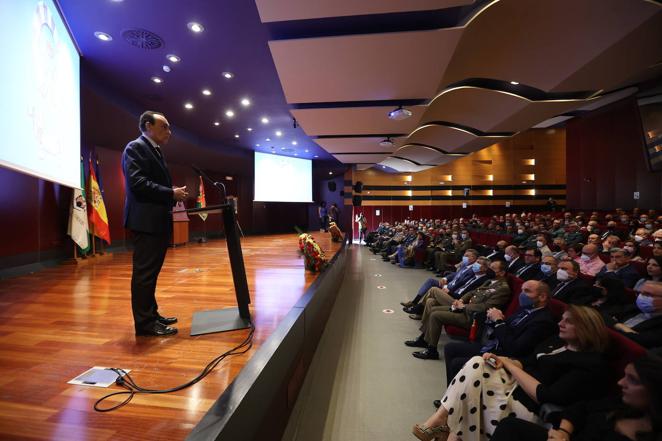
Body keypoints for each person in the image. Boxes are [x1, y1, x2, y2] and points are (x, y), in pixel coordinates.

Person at [412, 306, 610, 441]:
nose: (561, 323)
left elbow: (546, 395)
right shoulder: (557, 342)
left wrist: (510, 365)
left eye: (569, 322)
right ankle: (443, 425)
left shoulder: (589, 363)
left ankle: (443, 424)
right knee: (478, 363)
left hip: (530, 406)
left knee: (474, 375)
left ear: (586, 328)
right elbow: (528, 361)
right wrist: (506, 361)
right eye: (563, 319)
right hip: (514, 386)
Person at [490, 354, 662, 441]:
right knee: (510, 427)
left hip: (535, 403)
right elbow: (580, 408)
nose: (620, 382)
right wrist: (563, 433)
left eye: (632, 380)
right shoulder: (622, 403)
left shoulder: (590, 364)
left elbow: (545, 394)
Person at [122, 111, 187, 336]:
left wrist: (170, 192)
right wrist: (171, 192)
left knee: (151, 273)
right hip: (145, 222)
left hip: (155, 221)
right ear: (148, 126)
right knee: (144, 274)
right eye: (164, 127)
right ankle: (145, 324)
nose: (169, 132)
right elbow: (138, 183)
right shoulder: (135, 147)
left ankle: (151, 314)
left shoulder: (154, 150)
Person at [442, 280, 558, 386]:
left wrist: (498, 321)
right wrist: (495, 318)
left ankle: (456, 401)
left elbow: (514, 349)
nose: (522, 294)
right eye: (522, 290)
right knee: (450, 348)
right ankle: (451, 396)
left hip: (508, 358)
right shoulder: (525, 309)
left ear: (542, 297)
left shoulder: (543, 321)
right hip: (496, 346)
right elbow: (506, 326)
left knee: (457, 363)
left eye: (527, 291)